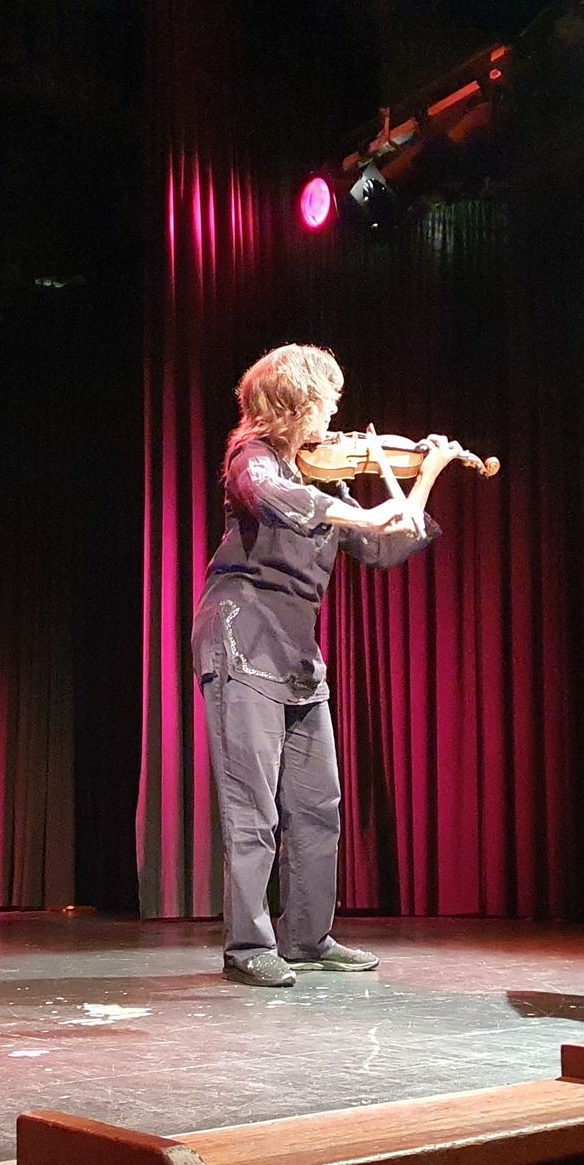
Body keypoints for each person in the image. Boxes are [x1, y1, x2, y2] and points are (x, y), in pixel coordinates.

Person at [191, 344, 458, 987]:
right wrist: (355, 509)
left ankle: (307, 938)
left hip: (296, 655)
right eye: (327, 400)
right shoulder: (252, 459)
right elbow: (274, 496)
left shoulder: (323, 479)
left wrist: (426, 476)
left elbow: (383, 545)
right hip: (242, 639)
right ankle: (248, 947)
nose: (335, 413)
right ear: (295, 403)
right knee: (253, 809)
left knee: (318, 805)